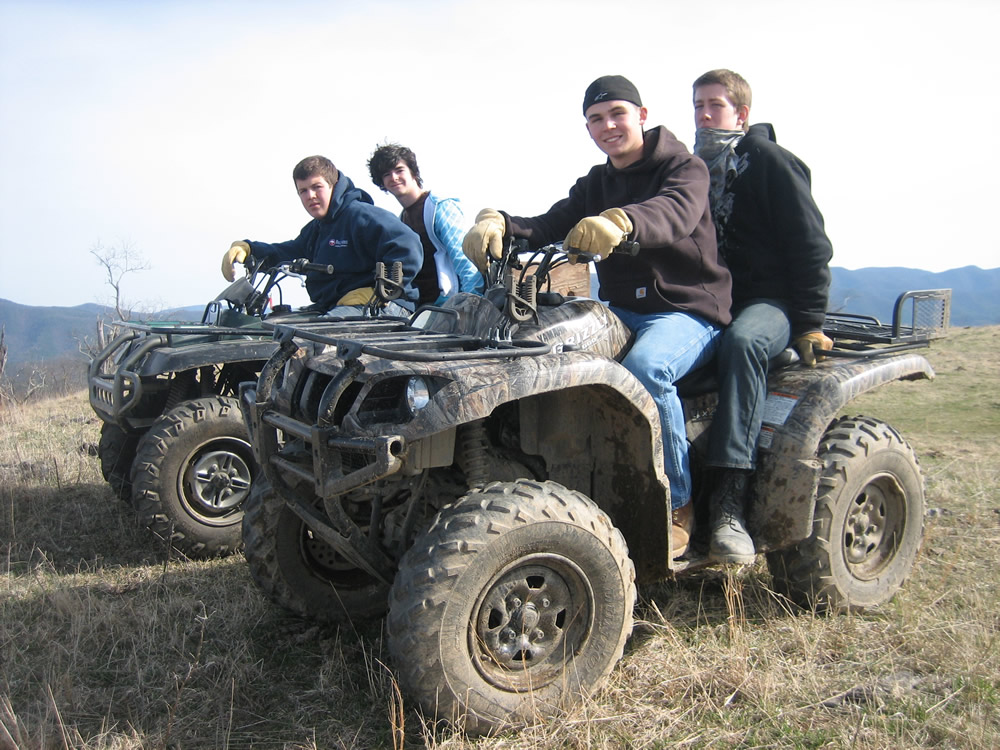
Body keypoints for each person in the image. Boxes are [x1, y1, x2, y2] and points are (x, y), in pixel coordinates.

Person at [463, 75, 732, 557]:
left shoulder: (684, 168)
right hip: (624, 310)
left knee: (647, 369)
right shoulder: (595, 183)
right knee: (549, 354)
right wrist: (499, 222)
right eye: (596, 119)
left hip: (688, 310)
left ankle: (678, 505)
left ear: (642, 116)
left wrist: (623, 221)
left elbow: (674, 212)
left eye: (617, 114)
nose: (608, 126)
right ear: (587, 128)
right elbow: (548, 224)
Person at [692, 69, 834, 563]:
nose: (704, 115)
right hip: (711, 300)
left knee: (745, 342)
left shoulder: (770, 161)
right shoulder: (695, 168)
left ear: (742, 114)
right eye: (697, 106)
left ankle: (729, 502)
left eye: (715, 105)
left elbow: (810, 243)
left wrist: (810, 321)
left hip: (769, 302)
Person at [220, 155, 422, 317]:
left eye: (317, 187)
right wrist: (249, 249)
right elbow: (289, 252)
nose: (311, 196)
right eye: (303, 191)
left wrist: (380, 292)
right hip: (335, 305)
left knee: (313, 340)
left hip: (387, 306)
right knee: (277, 329)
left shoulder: (361, 216)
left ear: (333, 185)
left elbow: (407, 244)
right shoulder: (317, 229)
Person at [367, 143, 484, 305]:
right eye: (387, 174)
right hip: (420, 307)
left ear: (413, 172)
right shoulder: (401, 220)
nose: (394, 177)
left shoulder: (439, 207)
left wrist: (471, 304)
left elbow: (464, 259)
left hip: (449, 304)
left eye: (399, 170)